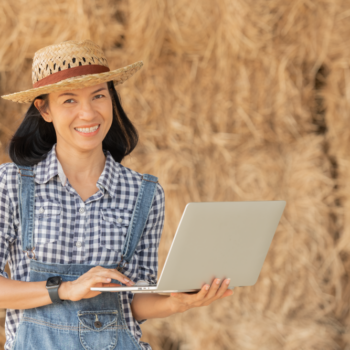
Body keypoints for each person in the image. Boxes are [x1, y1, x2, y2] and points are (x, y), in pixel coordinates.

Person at [0, 40, 233, 350]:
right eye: (69, 100)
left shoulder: (143, 193)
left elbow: (130, 303)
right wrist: (66, 289)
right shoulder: (11, 184)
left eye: (98, 95)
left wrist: (177, 304)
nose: (88, 113)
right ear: (44, 109)